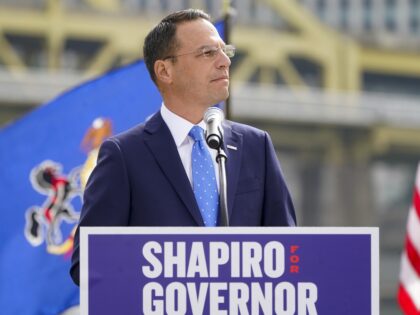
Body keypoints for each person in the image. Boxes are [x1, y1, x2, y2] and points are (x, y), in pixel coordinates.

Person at [70, 8, 296, 286]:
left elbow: (289, 251)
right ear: (165, 70)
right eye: (207, 53)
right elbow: (88, 263)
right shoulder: (124, 155)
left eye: (225, 51)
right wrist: (166, 267)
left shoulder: (256, 146)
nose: (225, 61)